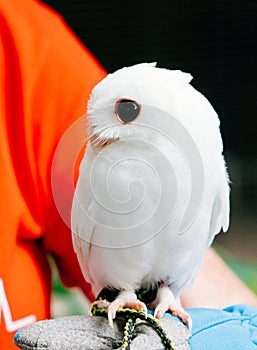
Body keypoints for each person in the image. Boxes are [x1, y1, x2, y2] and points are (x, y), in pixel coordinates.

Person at [0, 1, 256, 350]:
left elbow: (205, 280)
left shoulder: (20, 42)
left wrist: (241, 335)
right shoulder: (98, 160)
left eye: (125, 112)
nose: (94, 135)